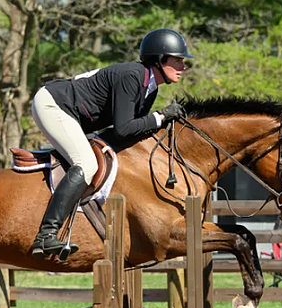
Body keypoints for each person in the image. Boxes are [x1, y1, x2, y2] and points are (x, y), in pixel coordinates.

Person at [29, 28, 191, 258]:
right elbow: (125, 128)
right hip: (53, 104)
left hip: (69, 112)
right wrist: (161, 117)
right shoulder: (132, 77)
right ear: (160, 60)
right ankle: (45, 235)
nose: (183, 67)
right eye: (178, 61)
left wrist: (161, 123)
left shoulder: (149, 88)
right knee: (86, 163)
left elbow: (124, 134)